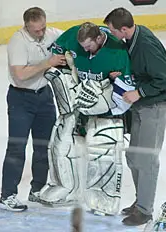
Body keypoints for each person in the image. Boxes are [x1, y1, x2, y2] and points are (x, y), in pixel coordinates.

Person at [38, 22, 135, 215]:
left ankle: (104, 199)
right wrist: (66, 80)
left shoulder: (117, 51)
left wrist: (104, 98)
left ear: (99, 39)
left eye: (88, 47)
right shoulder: (73, 35)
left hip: (105, 110)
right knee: (62, 139)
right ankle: (66, 187)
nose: (84, 50)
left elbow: (127, 92)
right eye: (81, 47)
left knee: (103, 147)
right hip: (78, 101)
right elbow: (57, 56)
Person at [103, 7, 166, 226]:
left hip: (155, 106)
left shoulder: (145, 46)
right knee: (134, 156)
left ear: (124, 29)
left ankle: (145, 210)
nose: (111, 34)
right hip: (142, 105)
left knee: (146, 159)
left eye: (113, 31)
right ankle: (140, 202)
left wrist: (139, 92)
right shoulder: (133, 38)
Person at [0, 7, 67, 212]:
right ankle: (8, 195)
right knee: (17, 147)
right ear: (26, 26)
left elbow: (73, 38)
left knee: (44, 146)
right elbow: (20, 75)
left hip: (44, 97)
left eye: (43, 28)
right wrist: (48, 63)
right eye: (36, 30)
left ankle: (37, 190)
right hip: (21, 99)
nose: (41, 33)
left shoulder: (52, 34)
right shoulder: (18, 42)